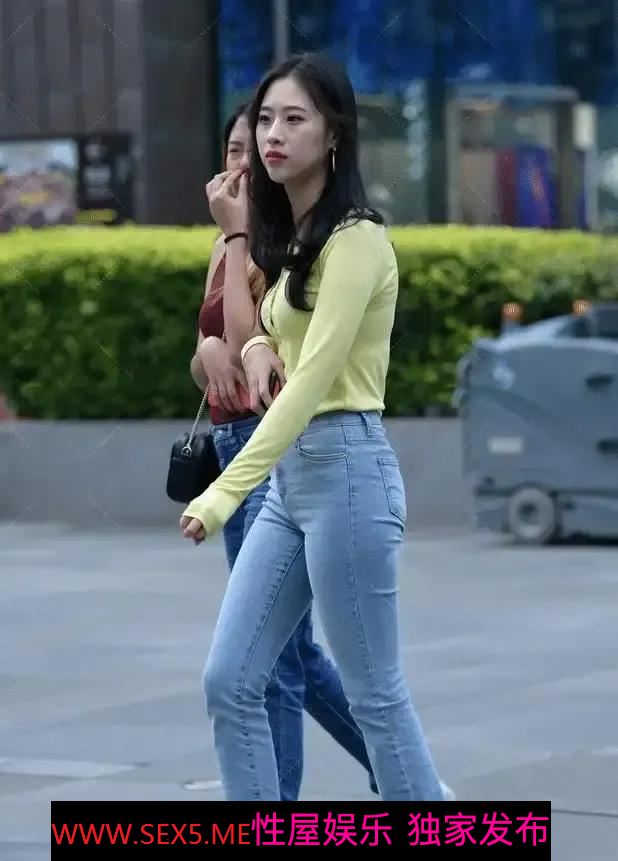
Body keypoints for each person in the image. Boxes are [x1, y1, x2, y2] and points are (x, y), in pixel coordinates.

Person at [182, 52, 445, 801]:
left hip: (346, 473)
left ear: (334, 134)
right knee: (230, 680)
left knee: (375, 696)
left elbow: (309, 387)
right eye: (265, 118)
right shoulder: (295, 236)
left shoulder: (357, 240)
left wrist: (222, 493)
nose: (272, 134)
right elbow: (270, 332)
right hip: (290, 484)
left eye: (293, 119)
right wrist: (256, 348)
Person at [190, 102, 379, 801]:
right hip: (230, 436)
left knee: (271, 661)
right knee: (283, 651)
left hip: (272, 449)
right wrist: (207, 354)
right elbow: (210, 354)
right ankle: (399, 770)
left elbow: (255, 344)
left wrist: (238, 238)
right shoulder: (226, 242)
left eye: (257, 146)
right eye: (234, 148)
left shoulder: (279, 241)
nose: (244, 162)